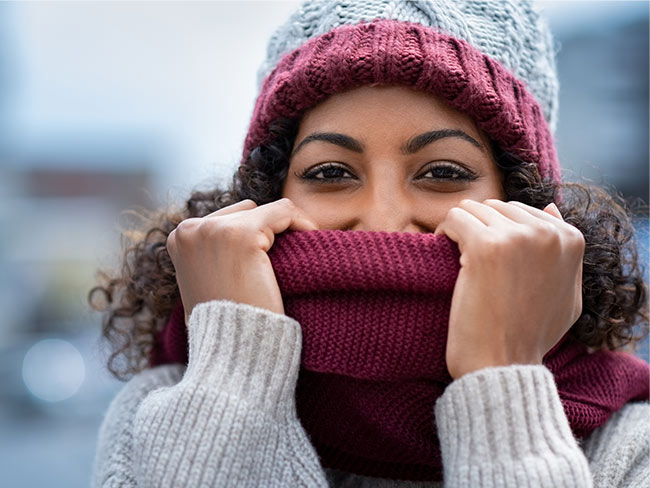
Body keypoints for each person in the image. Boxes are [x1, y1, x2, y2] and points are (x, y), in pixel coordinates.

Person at [89, 1, 649, 486]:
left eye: (443, 172)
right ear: (265, 196)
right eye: (331, 173)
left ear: (522, 204)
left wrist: (501, 381)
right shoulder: (157, 412)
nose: (383, 221)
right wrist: (233, 373)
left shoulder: (631, 446)